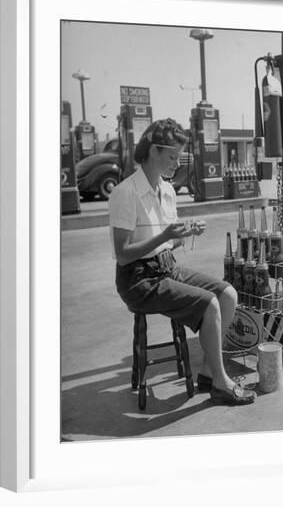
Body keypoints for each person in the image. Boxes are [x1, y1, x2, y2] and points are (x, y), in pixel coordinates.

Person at [108, 118, 256, 405]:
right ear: (153, 152)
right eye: (173, 157)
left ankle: (207, 373)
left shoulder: (167, 190)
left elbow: (167, 242)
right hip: (138, 279)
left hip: (166, 267)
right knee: (209, 303)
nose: (177, 164)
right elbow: (124, 253)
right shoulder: (125, 193)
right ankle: (222, 382)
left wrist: (184, 233)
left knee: (227, 294)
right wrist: (164, 234)